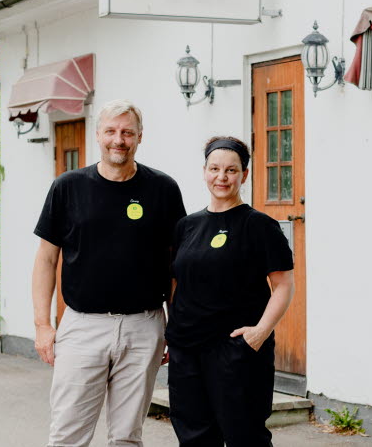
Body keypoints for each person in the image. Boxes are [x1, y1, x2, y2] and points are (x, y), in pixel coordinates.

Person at [31, 100, 186, 447]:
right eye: (112, 131)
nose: (120, 139)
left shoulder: (163, 190)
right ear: (98, 135)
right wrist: (43, 325)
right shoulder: (67, 187)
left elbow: (179, 264)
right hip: (83, 326)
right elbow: (45, 260)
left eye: (127, 132)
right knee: (68, 434)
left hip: (144, 326)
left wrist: (174, 324)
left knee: (127, 437)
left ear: (139, 137)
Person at [165, 136, 295, 446]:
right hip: (187, 350)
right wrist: (171, 333)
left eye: (231, 170)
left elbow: (283, 285)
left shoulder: (259, 226)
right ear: (204, 171)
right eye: (215, 169)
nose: (221, 177)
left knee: (245, 436)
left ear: (244, 175)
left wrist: (260, 332)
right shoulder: (187, 226)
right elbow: (176, 283)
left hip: (235, 350)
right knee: (194, 437)